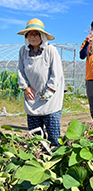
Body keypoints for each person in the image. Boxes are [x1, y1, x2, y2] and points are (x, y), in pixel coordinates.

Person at [17, 18, 64, 146]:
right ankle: (39, 157)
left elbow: (57, 73)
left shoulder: (50, 50)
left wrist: (49, 90)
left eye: (36, 33)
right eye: (30, 33)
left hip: (50, 98)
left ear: (42, 36)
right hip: (32, 97)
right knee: (35, 136)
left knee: (53, 133)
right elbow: (20, 71)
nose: (33, 36)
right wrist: (25, 87)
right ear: (26, 36)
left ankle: (55, 156)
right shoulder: (23, 51)